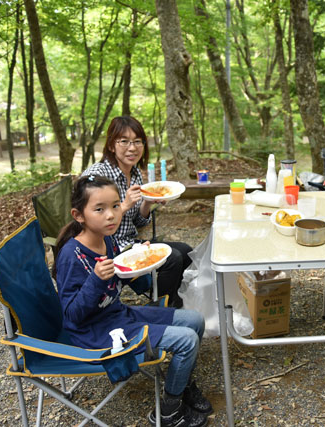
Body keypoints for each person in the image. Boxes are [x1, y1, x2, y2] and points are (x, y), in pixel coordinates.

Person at [53, 175, 211, 427]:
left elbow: (129, 280)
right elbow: (72, 316)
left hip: (118, 315)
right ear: (78, 215)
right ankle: (169, 411)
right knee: (187, 340)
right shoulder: (72, 256)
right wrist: (95, 280)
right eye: (99, 209)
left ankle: (182, 385)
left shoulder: (108, 240)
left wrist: (143, 262)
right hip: (96, 332)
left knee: (195, 319)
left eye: (116, 206)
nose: (111, 215)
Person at [83, 116, 192, 307]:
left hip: (130, 243)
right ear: (111, 145)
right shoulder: (97, 175)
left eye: (137, 141)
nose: (132, 148)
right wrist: (122, 206)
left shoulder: (134, 174)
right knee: (172, 258)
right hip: (107, 248)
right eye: (124, 141)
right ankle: (163, 310)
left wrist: (147, 203)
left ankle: (171, 298)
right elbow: (86, 220)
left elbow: (139, 222)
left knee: (186, 252)